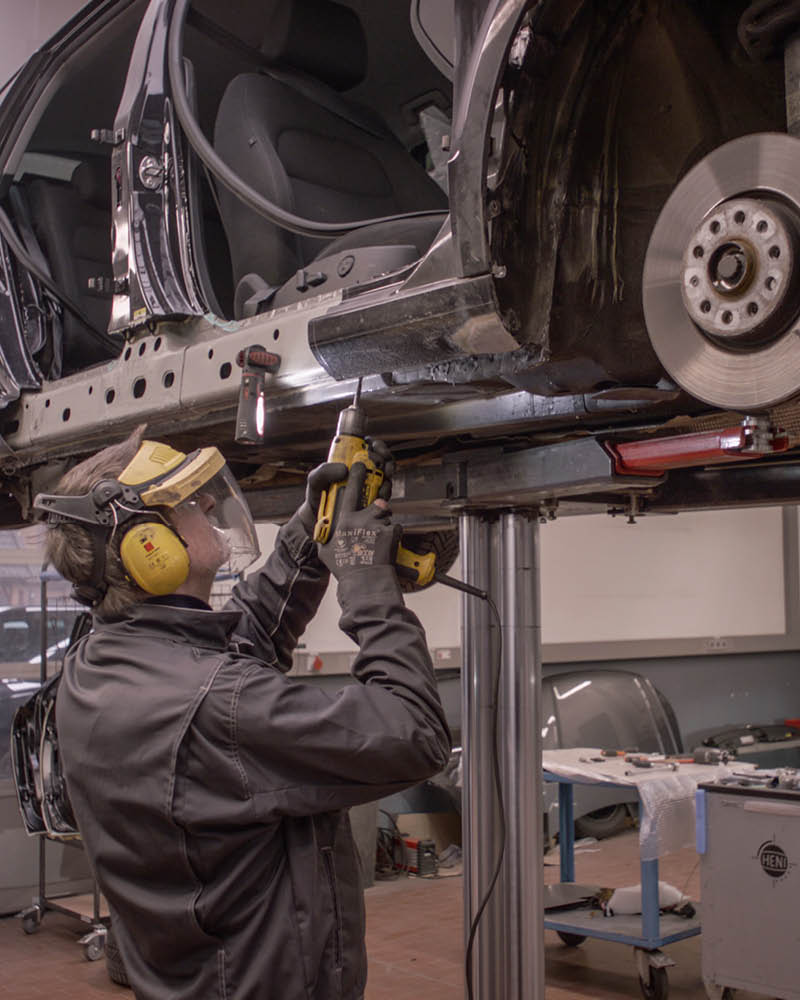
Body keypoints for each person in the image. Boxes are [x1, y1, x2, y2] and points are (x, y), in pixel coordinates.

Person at [35, 426, 450, 1000]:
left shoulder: (98, 662)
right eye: (186, 502)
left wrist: (308, 534)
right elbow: (415, 732)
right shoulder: (217, 703)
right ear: (147, 547)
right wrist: (367, 581)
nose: (208, 503)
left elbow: (240, 640)